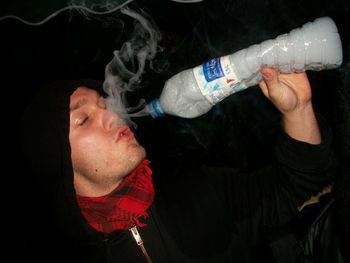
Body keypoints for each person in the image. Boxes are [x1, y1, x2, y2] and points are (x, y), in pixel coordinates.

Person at [20, 67, 337, 263]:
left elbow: (296, 183)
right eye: (84, 118)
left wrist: (299, 110)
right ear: (59, 161)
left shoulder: (195, 189)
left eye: (104, 103)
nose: (112, 113)